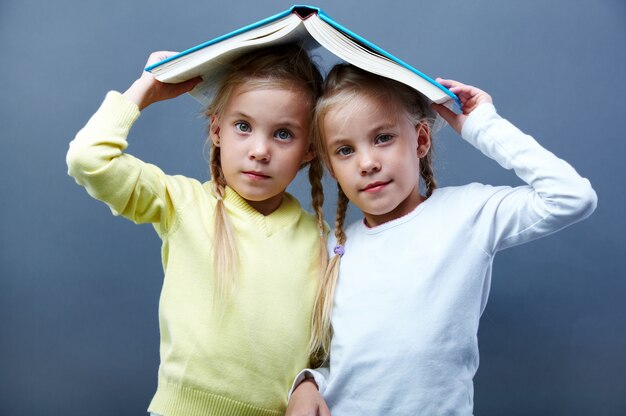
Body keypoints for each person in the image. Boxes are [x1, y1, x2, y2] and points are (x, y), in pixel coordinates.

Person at [286, 64, 597, 415]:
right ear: (330, 166)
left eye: (383, 138)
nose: (367, 162)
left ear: (420, 140)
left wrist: (482, 125)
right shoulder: (335, 248)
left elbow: (572, 197)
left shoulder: (468, 214)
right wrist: (309, 382)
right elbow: (344, 359)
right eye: (345, 150)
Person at [66, 44, 327, 416]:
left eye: (283, 134)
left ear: (309, 149)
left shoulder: (323, 245)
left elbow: (332, 349)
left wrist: (311, 381)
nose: (259, 150)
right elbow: (88, 158)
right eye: (243, 126)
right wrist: (145, 90)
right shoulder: (183, 203)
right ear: (216, 129)